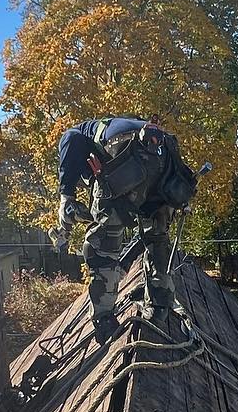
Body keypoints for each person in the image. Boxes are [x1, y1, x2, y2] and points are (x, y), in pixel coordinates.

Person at [55, 116, 197, 341]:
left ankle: (104, 320)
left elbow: (70, 138)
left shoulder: (77, 134)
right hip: (167, 158)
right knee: (157, 237)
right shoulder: (127, 123)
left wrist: (66, 196)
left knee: (104, 241)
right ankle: (160, 305)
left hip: (129, 151)